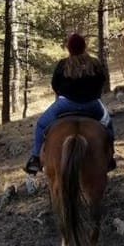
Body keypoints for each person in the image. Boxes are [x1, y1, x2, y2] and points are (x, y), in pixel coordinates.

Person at [24, 33, 115, 175]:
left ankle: (35, 159)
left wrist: (64, 93)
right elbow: (101, 81)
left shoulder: (63, 64)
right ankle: (110, 157)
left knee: (41, 124)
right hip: (92, 104)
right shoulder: (95, 63)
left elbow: (55, 84)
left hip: (65, 104)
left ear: (69, 48)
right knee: (108, 124)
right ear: (84, 46)